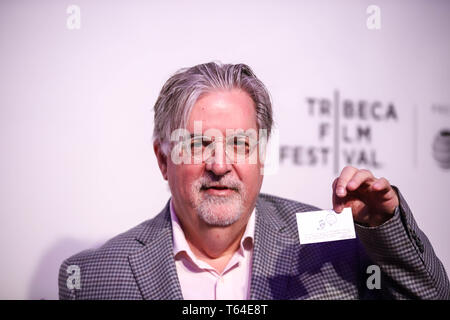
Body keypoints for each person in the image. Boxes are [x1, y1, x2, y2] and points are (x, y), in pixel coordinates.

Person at [59, 62, 450, 299]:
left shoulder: (333, 242)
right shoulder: (95, 277)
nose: (219, 164)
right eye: (197, 143)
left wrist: (381, 228)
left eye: (241, 143)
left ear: (263, 156)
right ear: (164, 160)